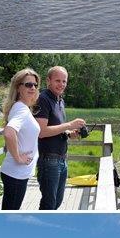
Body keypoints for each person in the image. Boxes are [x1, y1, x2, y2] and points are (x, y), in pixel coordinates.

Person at [34, 66, 86, 210]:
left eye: (64, 81)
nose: (61, 84)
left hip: (62, 159)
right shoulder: (43, 99)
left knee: (57, 202)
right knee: (49, 204)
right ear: (48, 81)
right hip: (49, 160)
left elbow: (58, 127)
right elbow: (41, 132)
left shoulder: (60, 100)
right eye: (58, 80)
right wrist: (69, 124)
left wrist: (69, 133)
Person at [0, 68, 41, 210]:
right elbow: (9, 132)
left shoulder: (22, 107)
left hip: (16, 174)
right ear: (18, 88)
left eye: (35, 85)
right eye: (28, 84)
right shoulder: (21, 109)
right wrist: (18, 157)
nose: (33, 88)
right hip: (16, 174)